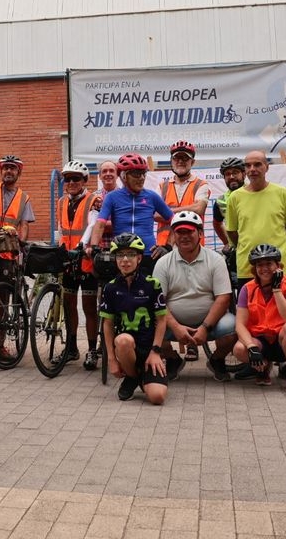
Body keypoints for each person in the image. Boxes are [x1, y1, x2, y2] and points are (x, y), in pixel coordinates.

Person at [152, 211, 237, 383]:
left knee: (234, 327)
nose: (184, 237)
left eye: (189, 232)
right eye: (179, 232)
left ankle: (217, 359)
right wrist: (176, 327)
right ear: (173, 235)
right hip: (172, 323)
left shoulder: (216, 260)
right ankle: (172, 359)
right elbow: (158, 301)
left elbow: (223, 298)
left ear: (200, 234)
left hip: (210, 323)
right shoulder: (163, 263)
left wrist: (205, 328)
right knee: (146, 326)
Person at [99, 233, 169, 405]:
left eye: (130, 254)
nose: (125, 260)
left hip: (149, 348)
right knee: (123, 340)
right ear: (115, 259)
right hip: (127, 348)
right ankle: (132, 376)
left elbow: (162, 320)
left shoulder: (152, 284)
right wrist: (112, 360)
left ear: (139, 258)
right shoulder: (110, 288)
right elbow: (107, 324)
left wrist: (156, 352)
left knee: (157, 397)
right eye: (120, 255)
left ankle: (145, 375)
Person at [0, 154, 35, 363]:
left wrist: (21, 242)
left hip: (7, 252)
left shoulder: (24, 197)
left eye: (12, 168)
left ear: (18, 172)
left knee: (4, 297)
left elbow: (24, 224)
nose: (8, 171)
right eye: (5, 168)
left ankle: (0, 345)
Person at [233, 244, 286, 393]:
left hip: (284, 340)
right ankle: (263, 368)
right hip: (261, 341)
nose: (264, 268)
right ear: (254, 269)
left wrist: (277, 289)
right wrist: (251, 347)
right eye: (260, 265)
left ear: (278, 266)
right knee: (239, 349)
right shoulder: (247, 288)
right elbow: (240, 325)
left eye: (269, 264)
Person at [88, 153, 174, 277]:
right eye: (136, 174)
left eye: (143, 173)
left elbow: (174, 221)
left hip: (148, 254)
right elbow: (100, 224)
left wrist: (167, 247)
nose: (141, 178)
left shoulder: (152, 196)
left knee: (149, 293)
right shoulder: (112, 197)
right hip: (121, 255)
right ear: (123, 176)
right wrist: (94, 248)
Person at [225, 151, 286, 286]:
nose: (252, 169)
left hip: (280, 265)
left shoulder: (283, 193)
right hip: (248, 268)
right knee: (248, 307)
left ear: (267, 166)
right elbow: (232, 231)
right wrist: (246, 247)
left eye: (257, 164)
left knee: (283, 306)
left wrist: (277, 248)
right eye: (248, 166)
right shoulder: (235, 198)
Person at [56, 161, 100, 370]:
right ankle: (71, 348)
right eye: (68, 179)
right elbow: (60, 228)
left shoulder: (94, 200)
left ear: (84, 180)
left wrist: (83, 245)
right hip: (67, 259)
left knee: (89, 307)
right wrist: (58, 247)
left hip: (86, 259)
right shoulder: (61, 202)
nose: (71, 182)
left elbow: (92, 224)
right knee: (68, 304)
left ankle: (92, 350)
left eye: (76, 179)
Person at [155, 141, 210, 248]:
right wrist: (189, 209)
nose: (180, 161)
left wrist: (166, 211)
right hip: (164, 247)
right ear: (171, 161)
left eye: (185, 158)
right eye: (176, 158)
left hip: (193, 247)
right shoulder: (162, 187)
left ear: (192, 162)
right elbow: (155, 215)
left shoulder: (201, 185)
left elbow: (199, 209)